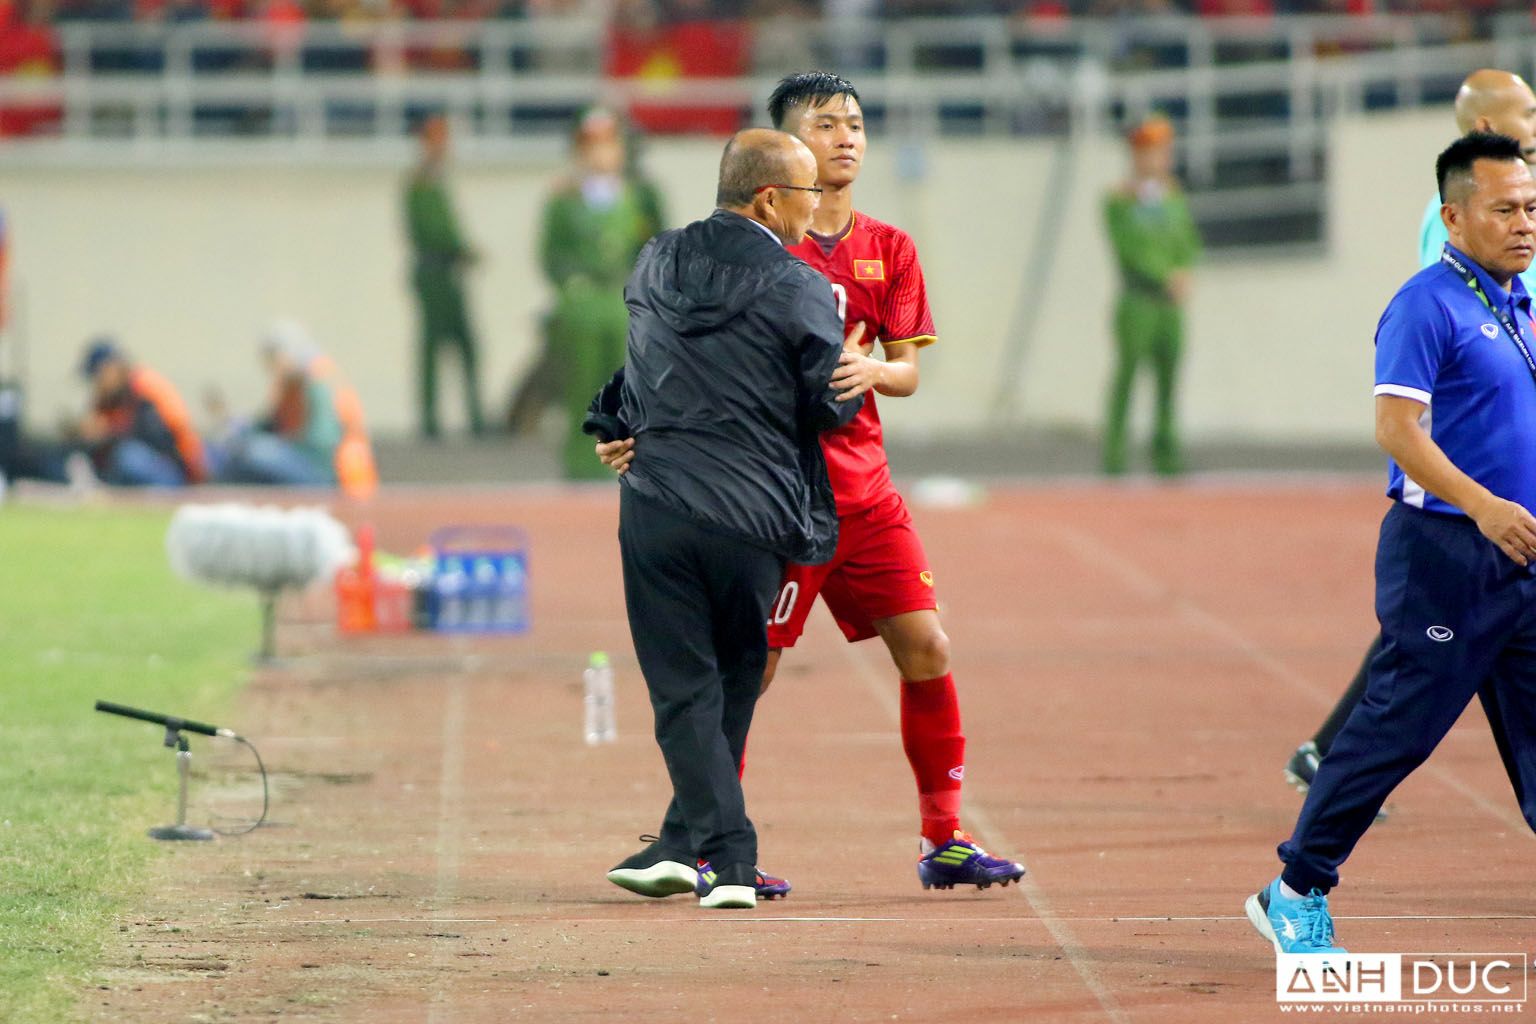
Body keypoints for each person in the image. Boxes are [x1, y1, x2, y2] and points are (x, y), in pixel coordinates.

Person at [600, 71, 1025, 895]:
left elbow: (906, 371)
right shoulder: (753, 245)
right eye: (827, 124)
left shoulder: (890, 248)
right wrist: (637, 430)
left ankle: (943, 837)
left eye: (855, 123)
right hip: (776, 500)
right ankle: (702, 841)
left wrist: (873, 370)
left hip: (865, 495)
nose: (847, 138)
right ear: (785, 148)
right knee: (746, 670)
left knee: (928, 647)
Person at [1247, 131, 1536, 954]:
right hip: (1447, 554)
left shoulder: (1520, 305)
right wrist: (1484, 507)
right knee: (1396, 732)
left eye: (1531, 208)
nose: (1524, 224)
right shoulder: (1426, 305)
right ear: (1454, 216)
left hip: (1521, 558)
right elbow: (1397, 429)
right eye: (1505, 209)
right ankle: (1294, 890)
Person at [592, 128, 862, 909]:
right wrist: (854, 369)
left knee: (685, 688)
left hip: (656, 504)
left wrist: (611, 426)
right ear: (770, 199)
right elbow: (829, 407)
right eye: (809, 192)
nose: (819, 206)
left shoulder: (655, 259)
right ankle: (732, 860)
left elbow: (642, 363)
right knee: (735, 675)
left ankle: (684, 846)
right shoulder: (799, 283)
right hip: (751, 516)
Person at [1283, 69, 1536, 804]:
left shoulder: (1513, 201)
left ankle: (1330, 758)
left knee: (1443, 641)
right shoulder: (1455, 226)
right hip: (1471, 459)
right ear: (1485, 120)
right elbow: (1449, 320)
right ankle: (1327, 788)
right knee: (1433, 645)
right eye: (1526, 110)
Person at [507, 110, 665, 439]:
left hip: (625, 302)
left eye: (609, 144)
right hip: (582, 304)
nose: (601, 154)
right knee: (582, 386)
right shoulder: (565, 200)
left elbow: (655, 245)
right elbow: (552, 253)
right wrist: (571, 286)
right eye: (592, 146)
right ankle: (582, 458)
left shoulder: (639, 195)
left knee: (628, 388)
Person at [1101, 114, 1201, 477]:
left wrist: (1185, 271)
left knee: (1169, 381)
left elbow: (1188, 241)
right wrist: (1164, 275)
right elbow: (1129, 249)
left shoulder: (1172, 196)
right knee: (1126, 378)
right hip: (1138, 301)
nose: (1159, 158)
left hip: (1169, 306)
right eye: (1151, 151)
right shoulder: (1120, 200)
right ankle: (1115, 456)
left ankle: (1166, 454)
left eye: (1163, 150)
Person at [211, 320, 377, 498]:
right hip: (303, 461)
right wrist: (241, 430)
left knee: (257, 453)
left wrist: (273, 446)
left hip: (330, 474)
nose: (272, 369)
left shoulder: (318, 382)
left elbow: (321, 445)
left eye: (274, 359)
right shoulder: (290, 385)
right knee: (232, 456)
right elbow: (269, 423)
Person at [405, 113, 485, 440]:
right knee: (434, 344)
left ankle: (475, 414)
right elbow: (431, 230)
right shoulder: (421, 183)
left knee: (465, 344)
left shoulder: (436, 180)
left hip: (447, 272)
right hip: (434, 272)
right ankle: (431, 418)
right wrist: (459, 248)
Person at [71, 338, 206, 488]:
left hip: (177, 468)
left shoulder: (144, 385)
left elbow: (161, 438)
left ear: (111, 368)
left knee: (128, 456)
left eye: (96, 376)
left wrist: (108, 433)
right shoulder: (110, 397)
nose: (95, 384)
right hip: (153, 464)